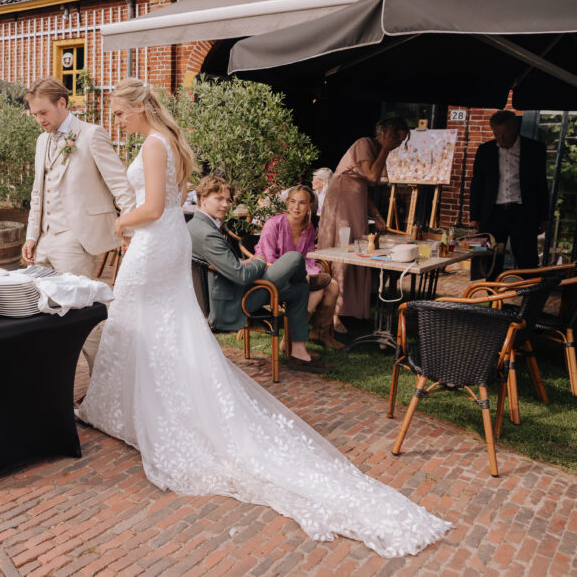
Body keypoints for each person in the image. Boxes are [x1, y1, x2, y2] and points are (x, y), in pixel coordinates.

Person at [77, 78, 449, 557]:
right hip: (168, 242)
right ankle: (130, 406)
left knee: (140, 323)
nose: (117, 118)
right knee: (162, 327)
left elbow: (150, 207)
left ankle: (141, 410)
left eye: (119, 111)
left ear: (138, 107)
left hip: (154, 243)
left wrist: (120, 220)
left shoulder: (152, 143)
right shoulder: (168, 142)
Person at [22, 76, 136, 372]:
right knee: (40, 315)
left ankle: (104, 383)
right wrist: (31, 236)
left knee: (81, 318)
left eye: (43, 113)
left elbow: (121, 187)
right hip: (44, 241)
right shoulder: (41, 140)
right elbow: (38, 191)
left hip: (76, 238)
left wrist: (131, 230)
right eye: (34, 114)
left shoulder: (91, 135)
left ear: (62, 103)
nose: (39, 120)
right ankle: (51, 381)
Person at [189, 175, 326, 372]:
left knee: (299, 289)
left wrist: (243, 262)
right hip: (234, 303)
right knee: (294, 259)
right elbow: (242, 276)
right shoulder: (208, 234)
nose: (225, 204)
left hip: (229, 293)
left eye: (227, 200)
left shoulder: (196, 226)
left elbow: (226, 265)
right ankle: (297, 351)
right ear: (202, 199)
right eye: (219, 199)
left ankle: (298, 352)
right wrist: (260, 261)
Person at [317, 118, 409, 329]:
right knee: (342, 250)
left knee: (356, 249)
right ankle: (333, 313)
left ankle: (350, 308)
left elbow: (364, 185)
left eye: (401, 141)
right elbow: (372, 176)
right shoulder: (365, 143)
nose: (396, 144)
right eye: (396, 137)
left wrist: (375, 213)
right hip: (342, 198)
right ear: (385, 132)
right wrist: (385, 148)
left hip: (355, 198)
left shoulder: (378, 149)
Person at [256, 184, 344, 350]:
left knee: (333, 286)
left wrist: (308, 274)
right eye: (293, 202)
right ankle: (289, 340)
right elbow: (268, 259)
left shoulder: (308, 227)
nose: (296, 207)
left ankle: (320, 333)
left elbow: (308, 257)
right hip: (273, 276)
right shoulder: (273, 224)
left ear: (310, 205)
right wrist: (296, 276)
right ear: (287, 203)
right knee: (317, 290)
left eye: (302, 203)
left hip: (299, 275)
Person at [468, 110, 549, 277]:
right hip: (492, 214)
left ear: (515, 129)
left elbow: (541, 184)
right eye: (497, 133)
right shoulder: (485, 150)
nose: (501, 138)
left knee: (527, 260)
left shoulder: (535, 149)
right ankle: (492, 298)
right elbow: (477, 184)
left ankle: (529, 299)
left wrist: (544, 216)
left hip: (523, 212)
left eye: (505, 133)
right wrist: (474, 216)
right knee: (489, 259)